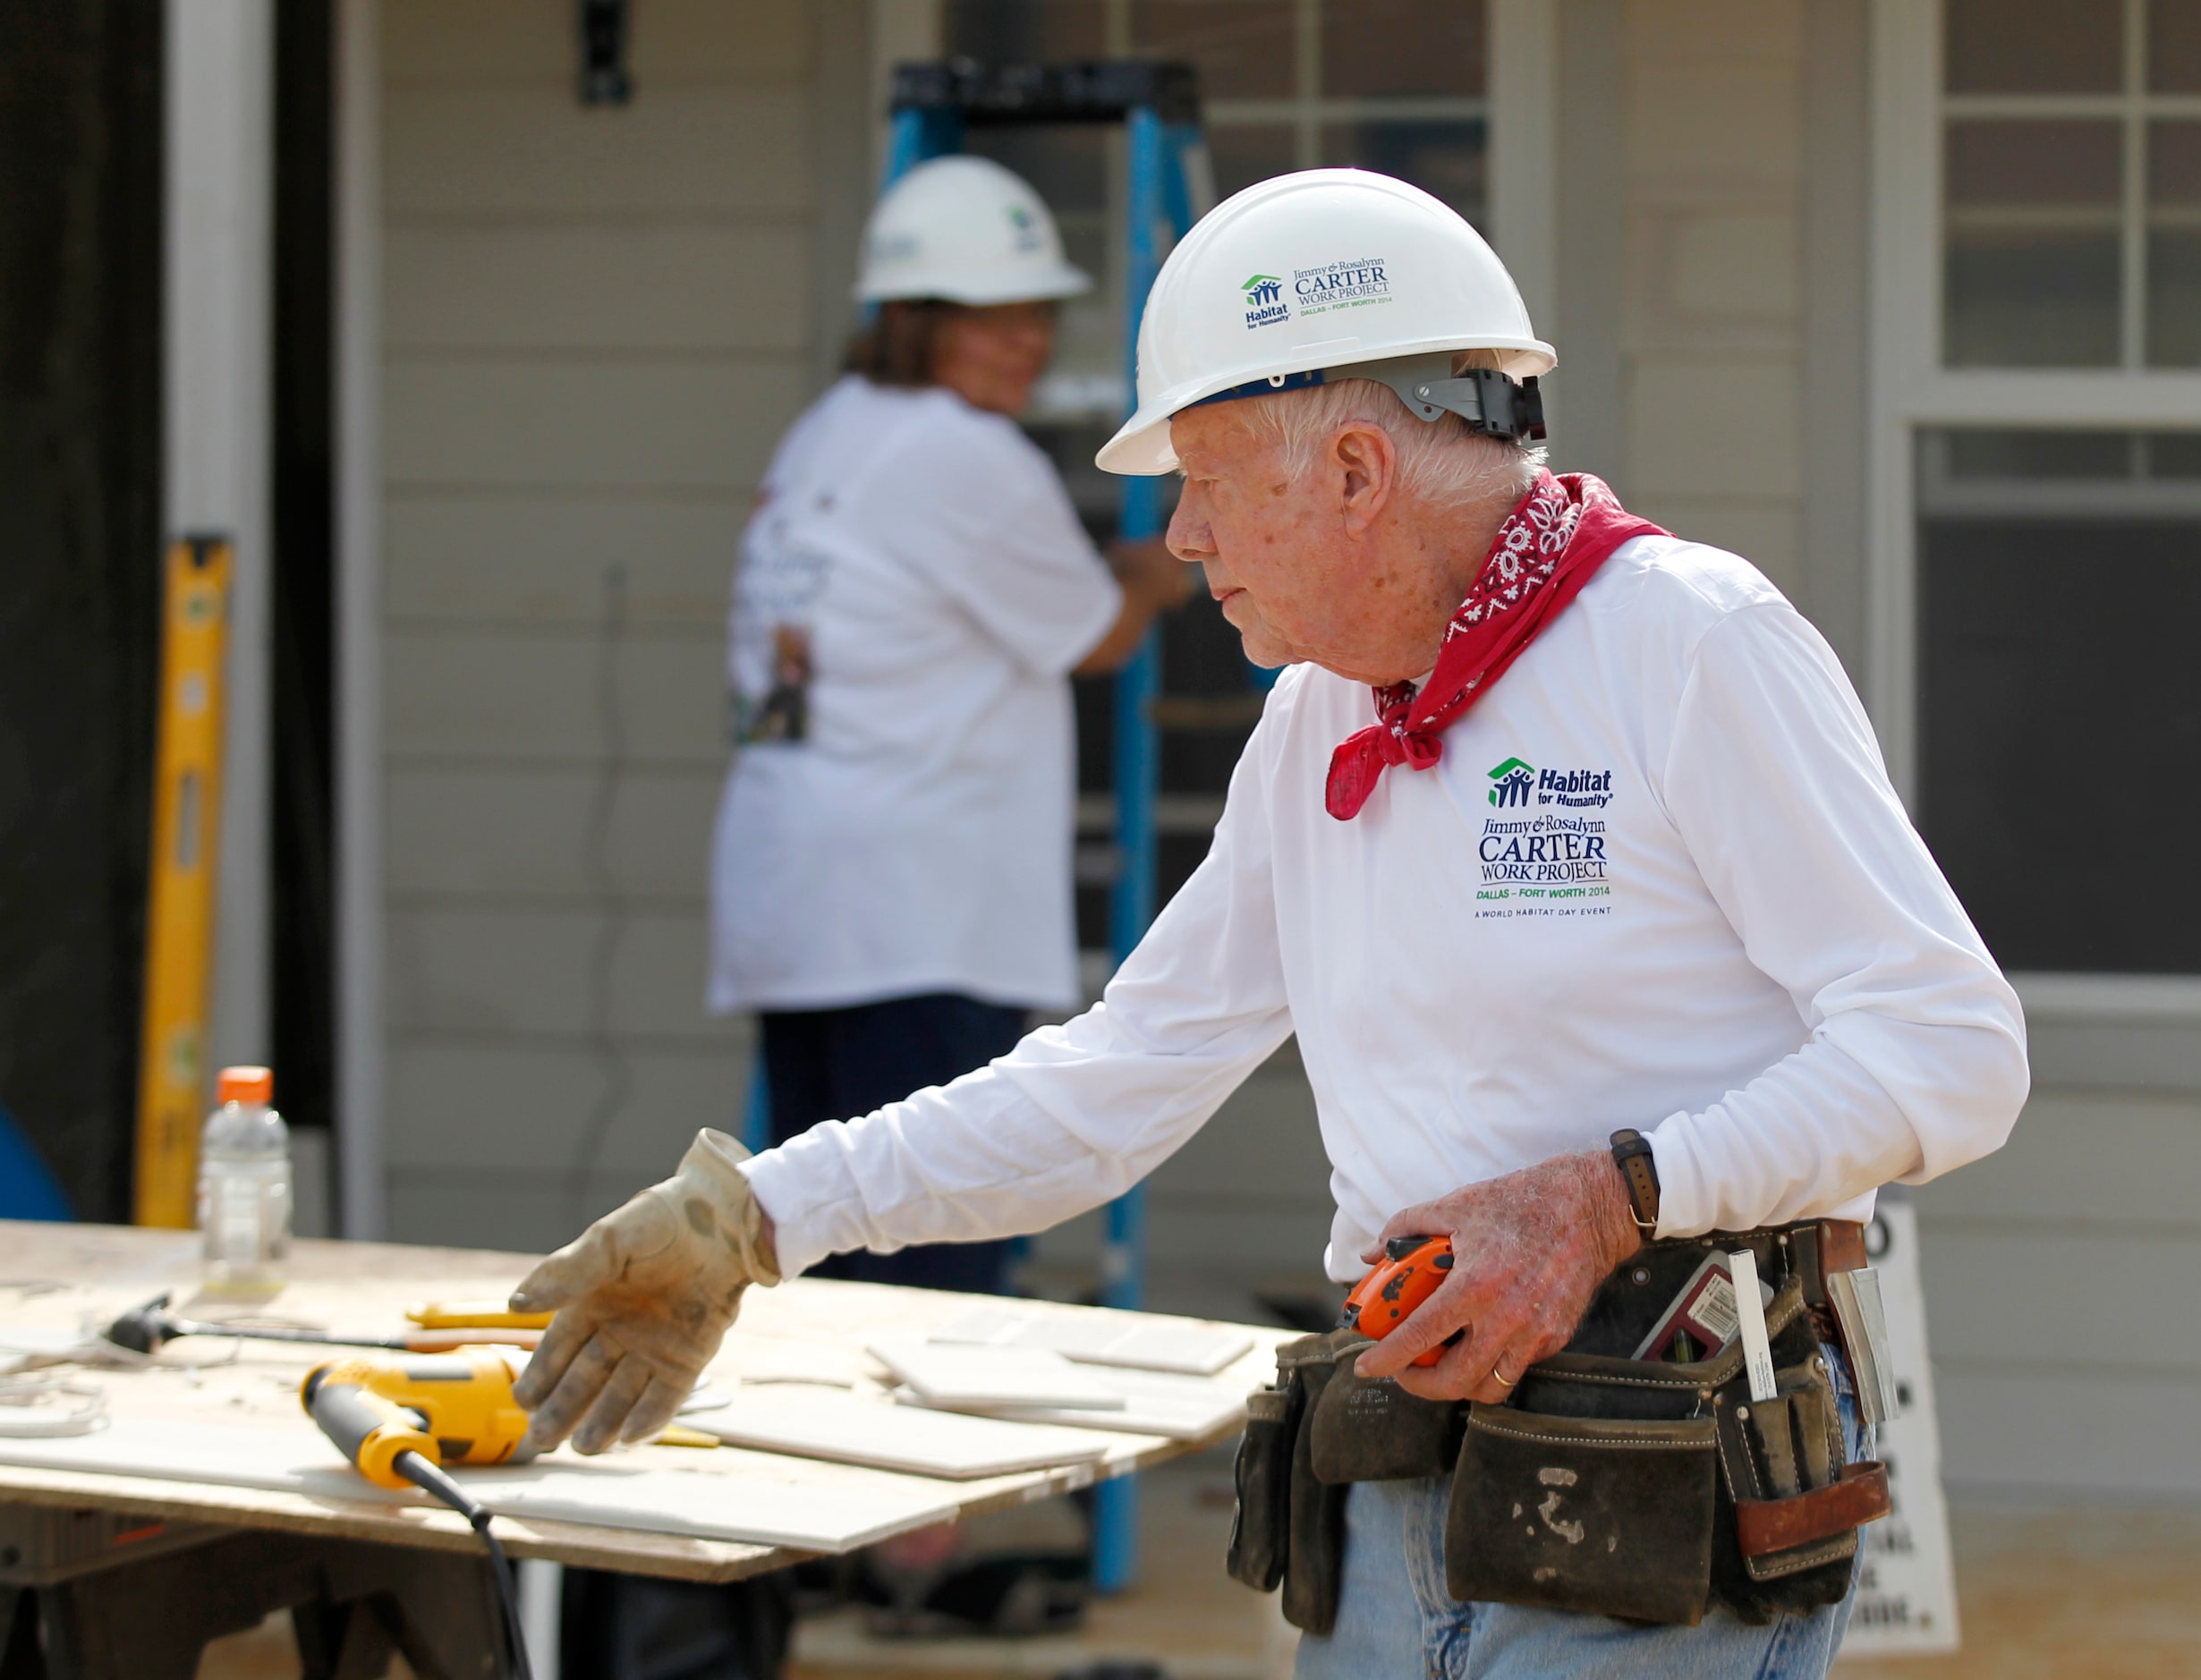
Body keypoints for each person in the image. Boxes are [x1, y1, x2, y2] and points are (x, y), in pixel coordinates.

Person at [514, 170, 2029, 1677]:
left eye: (1210, 478)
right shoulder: (1318, 721)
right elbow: (1119, 1078)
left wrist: (1614, 1195)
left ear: (1357, 469)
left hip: (1657, 1507)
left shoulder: (1685, 645)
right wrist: (764, 1214)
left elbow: (1952, 1051)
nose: (1176, 534)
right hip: (1390, 1498)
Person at [707, 154, 1189, 1296]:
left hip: (805, 895)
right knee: (933, 1263)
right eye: (989, 320)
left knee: (819, 1238)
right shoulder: (964, 454)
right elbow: (1096, 632)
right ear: (916, 322)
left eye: (1036, 315)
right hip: (917, 915)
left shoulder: (828, 432)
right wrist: (1171, 565)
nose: (1023, 342)